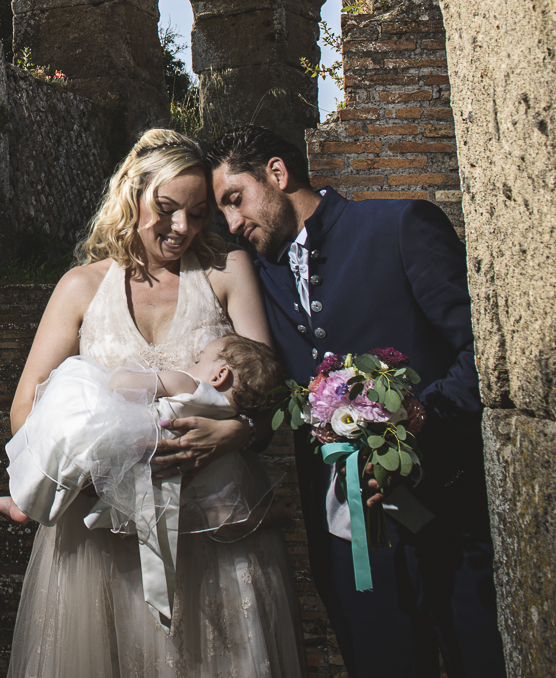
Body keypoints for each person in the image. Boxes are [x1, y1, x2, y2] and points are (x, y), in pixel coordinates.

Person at [206, 125, 506, 678]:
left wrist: (421, 421)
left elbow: (484, 352)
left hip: (450, 523)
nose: (231, 223)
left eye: (234, 199)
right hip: (349, 553)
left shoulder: (398, 227)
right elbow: (264, 392)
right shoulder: (256, 280)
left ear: (277, 173)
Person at [0, 130, 301, 677]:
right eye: (165, 208)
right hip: (101, 547)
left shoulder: (227, 272)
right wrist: (95, 455)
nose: (182, 227)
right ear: (132, 196)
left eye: (197, 212)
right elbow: (25, 410)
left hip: (212, 547)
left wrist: (235, 432)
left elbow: (268, 391)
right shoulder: (80, 287)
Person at [0, 335, 287, 634]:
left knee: (75, 415)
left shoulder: (190, 385)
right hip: (169, 479)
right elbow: (225, 512)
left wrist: (123, 376)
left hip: (133, 444)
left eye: (199, 360)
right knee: (215, 510)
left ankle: (27, 500)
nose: (192, 364)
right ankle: (268, 514)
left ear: (220, 375)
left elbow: (121, 385)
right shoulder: (225, 429)